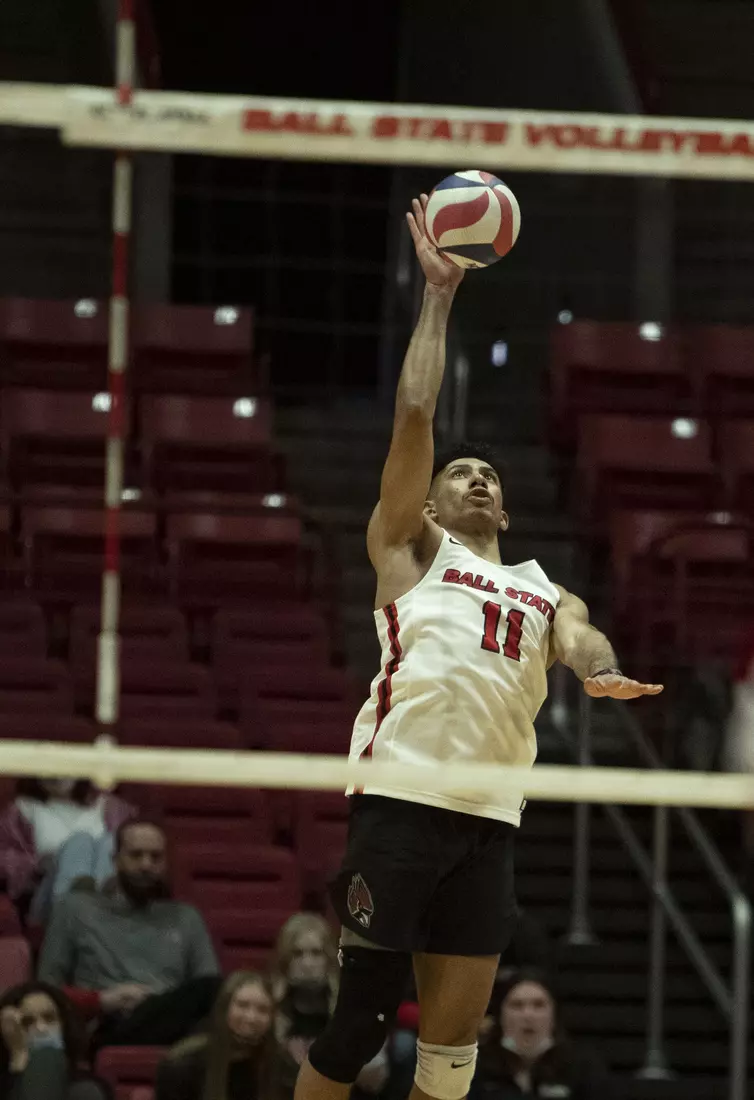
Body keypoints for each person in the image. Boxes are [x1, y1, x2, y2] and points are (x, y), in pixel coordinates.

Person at [294, 194, 663, 1100]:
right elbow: (416, 416)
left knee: (451, 1066)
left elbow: (579, 632)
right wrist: (439, 297)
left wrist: (596, 666)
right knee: (355, 1033)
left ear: (506, 507)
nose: (479, 476)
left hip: (491, 823)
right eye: (462, 472)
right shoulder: (411, 548)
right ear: (428, 502)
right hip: (402, 802)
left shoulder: (543, 584)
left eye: (489, 475)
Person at [37, 819, 221, 1048]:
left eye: (156, 857)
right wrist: (102, 1001)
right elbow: (45, 991)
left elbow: (210, 991)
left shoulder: (186, 918)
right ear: (115, 860)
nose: (146, 865)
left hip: (173, 1026)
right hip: (105, 1023)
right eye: (136, 855)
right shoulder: (75, 909)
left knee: (217, 990)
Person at [273, 914, 388, 1098]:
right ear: (285, 960)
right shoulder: (271, 1007)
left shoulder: (355, 1004)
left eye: (316, 953)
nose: (307, 964)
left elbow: (376, 1079)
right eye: (297, 953)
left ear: (330, 958)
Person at [0, 779, 133, 923]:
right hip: (49, 899)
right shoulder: (22, 808)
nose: (56, 776)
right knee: (79, 843)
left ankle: (95, 920)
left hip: (111, 898)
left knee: (110, 843)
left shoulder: (112, 807)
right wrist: (37, 864)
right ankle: (77, 921)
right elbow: (3, 858)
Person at [471, 970, 613, 1099]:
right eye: (517, 1005)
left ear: (554, 1014)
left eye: (538, 1005)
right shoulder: (476, 1066)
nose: (528, 1015)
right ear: (500, 1015)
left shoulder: (583, 1066)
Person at [155, 971, 295, 1100]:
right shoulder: (182, 1065)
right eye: (242, 1005)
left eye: (263, 1010)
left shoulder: (284, 1068)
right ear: (224, 1009)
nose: (252, 1018)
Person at [0, 981, 111, 1100]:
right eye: (27, 1022)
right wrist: (19, 1058)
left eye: (49, 1018)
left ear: (64, 1024)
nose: (41, 1029)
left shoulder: (86, 1090)